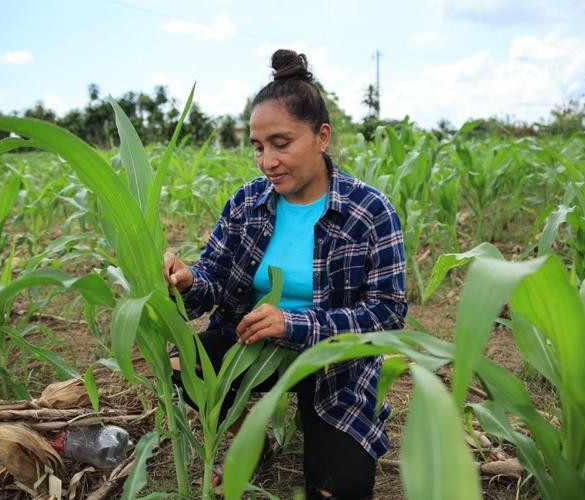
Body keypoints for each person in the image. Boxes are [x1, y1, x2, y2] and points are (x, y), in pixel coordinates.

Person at [162, 49, 407, 500]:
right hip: (251, 344)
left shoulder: (369, 211)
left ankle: (322, 431)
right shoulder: (247, 202)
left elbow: (388, 314)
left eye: (281, 143)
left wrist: (293, 323)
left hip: (333, 364)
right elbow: (214, 275)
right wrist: (188, 280)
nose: (266, 161)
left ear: (322, 137)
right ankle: (245, 438)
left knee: (340, 488)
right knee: (179, 362)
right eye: (258, 147)